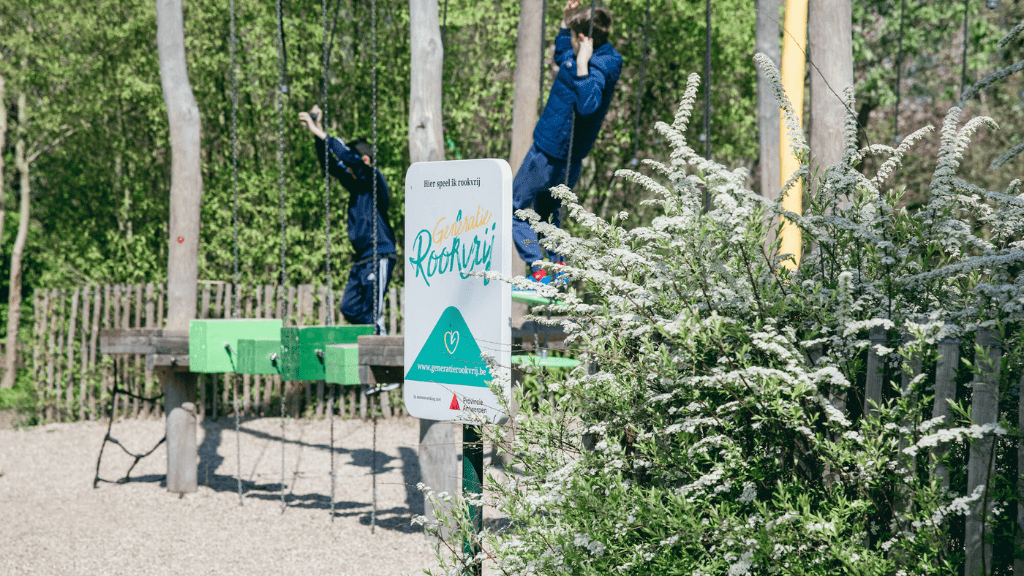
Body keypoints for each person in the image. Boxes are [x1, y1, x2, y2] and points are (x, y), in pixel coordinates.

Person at [513, 0, 622, 284]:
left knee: (517, 209)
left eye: (574, 36)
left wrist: (584, 63)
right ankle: (557, 267)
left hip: (547, 154)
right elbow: (563, 55)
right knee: (549, 216)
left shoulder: (595, 66)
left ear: (584, 40)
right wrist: (566, 22)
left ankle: (537, 267)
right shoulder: (595, 56)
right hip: (566, 158)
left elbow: (589, 104)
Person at [298, 105, 397, 333]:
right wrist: (317, 132)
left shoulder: (374, 180)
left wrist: (321, 132)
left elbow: (346, 158)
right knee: (350, 307)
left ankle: (380, 349)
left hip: (379, 253)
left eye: (352, 164)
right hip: (361, 258)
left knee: (373, 313)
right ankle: (369, 344)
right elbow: (331, 165)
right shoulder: (355, 186)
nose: (346, 169)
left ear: (364, 159)